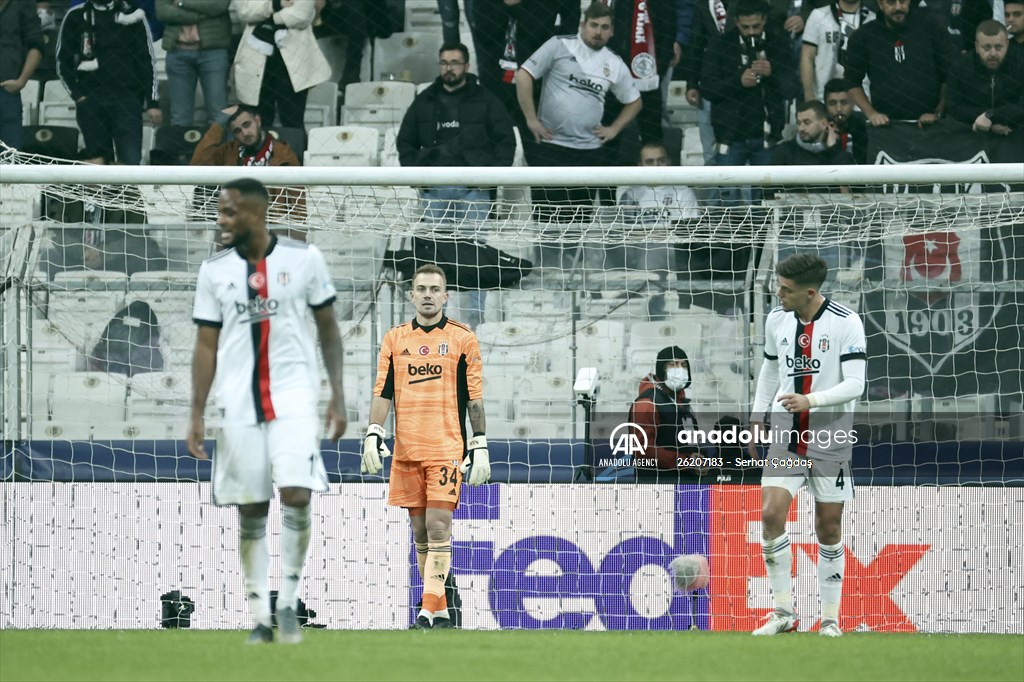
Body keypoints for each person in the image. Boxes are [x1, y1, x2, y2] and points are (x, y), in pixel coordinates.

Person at [187, 177, 347, 644]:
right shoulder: (213, 271)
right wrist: (196, 411)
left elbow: (329, 327)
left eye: (229, 211)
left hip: (295, 395)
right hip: (238, 401)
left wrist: (337, 393)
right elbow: (205, 343)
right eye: (220, 211)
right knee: (252, 505)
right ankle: (259, 614)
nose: (221, 219)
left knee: (296, 493)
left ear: (255, 214)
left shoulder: (304, 259)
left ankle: (289, 602)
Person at [361, 264, 490, 630]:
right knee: (419, 534)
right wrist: (374, 431)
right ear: (412, 295)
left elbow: (475, 398)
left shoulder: (463, 338)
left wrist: (478, 444)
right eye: (422, 288)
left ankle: (425, 610)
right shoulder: (394, 339)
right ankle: (443, 609)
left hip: (446, 447)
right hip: (406, 450)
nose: (429, 294)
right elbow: (382, 391)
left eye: (435, 289)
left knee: (438, 527)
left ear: (446, 296)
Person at [747, 253, 867, 638]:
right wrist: (757, 413)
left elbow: (855, 384)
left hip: (830, 432)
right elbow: (770, 366)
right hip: (786, 431)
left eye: (786, 289)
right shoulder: (776, 319)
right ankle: (783, 612)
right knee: (770, 514)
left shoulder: (846, 322)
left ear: (810, 292)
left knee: (828, 525)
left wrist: (811, 401)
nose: (778, 294)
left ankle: (830, 618)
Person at [396, 42, 516, 329]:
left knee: (475, 256)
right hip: (435, 191)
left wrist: (490, 178)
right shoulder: (424, 101)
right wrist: (420, 178)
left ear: (467, 65)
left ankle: (475, 323)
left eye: (455, 62)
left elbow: (505, 141)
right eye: (444, 62)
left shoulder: (486, 100)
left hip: (474, 190)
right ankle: (436, 322)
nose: (449, 68)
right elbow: (405, 143)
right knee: (435, 256)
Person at [515, 1, 642, 225]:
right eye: (594, 25)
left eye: (604, 27)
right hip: (551, 147)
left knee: (579, 224)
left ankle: (575, 258)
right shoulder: (558, 45)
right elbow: (524, 75)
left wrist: (613, 129)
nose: (598, 32)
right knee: (547, 222)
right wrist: (531, 119)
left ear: (612, 31)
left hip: (589, 152)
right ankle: (547, 261)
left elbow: (635, 102)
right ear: (583, 25)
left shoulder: (614, 63)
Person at [701, 0, 796, 204]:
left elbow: (791, 87)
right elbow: (708, 88)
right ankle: (730, 236)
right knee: (728, 202)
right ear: (735, 22)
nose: (751, 32)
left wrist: (772, 73)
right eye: (745, 27)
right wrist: (738, 81)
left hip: (766, 137)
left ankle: (762, 237)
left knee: (764, 202)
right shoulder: (720, 44)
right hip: (730, 137)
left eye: (756, 26)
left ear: (764, 20)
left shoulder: (778, 43)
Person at [55, 0, 162, 165]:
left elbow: (146, 62)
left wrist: (152, 102)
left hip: (127, 98)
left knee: (130, 161)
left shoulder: (134, 14)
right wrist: (78, 96)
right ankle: (101, 192)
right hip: (90, 99)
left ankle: (127, 192)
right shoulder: (75, 15)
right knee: (97, 163)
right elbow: (62, 63)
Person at [843, 0, 956, 127]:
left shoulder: (932, 28)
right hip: (885, 126)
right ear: (880, 4)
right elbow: (851, 81)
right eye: (891, 2)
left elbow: (950, 75)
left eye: (902, 1)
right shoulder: (863, 36)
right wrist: (872, 114)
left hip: (930, 124)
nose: (898, 7)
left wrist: (938, 113)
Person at [616, 140, 699, 310]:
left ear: (669, 162)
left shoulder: (683, 192)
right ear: (640, 165)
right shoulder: (631, 194)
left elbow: (687, 234)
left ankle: (652, 305)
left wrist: (651, 236)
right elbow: (626, 235)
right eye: (649, 162)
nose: (656, 166)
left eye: (661, 161)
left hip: (675, 254)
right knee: (650, 250)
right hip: (639, 253)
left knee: (654, 250)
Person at [190, 104, 305, 226]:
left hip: (271, 226)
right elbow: (198, 165)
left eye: (246, 124)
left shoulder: (282, 153)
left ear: (257, 121)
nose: (245, 133)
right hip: (235, 225)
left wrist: (297, 235)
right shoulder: (229, 152)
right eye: (237, 131)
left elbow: (298, 201)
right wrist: (218, 124)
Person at [232, 0, 331, 129]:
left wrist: (269, 17)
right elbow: (246, 12)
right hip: (255, 58)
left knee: (293, 122)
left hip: (294, 60)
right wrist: (275, 4)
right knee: (259, 124)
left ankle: (295, 149)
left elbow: (302, 15)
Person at [629, 345, 702, 478]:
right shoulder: (646, 404)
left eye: (683, 365)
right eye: (673, 364)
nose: (679, 369)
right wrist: (684, 462)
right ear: (662, 369)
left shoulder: (682, 404)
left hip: (688, 485)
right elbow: (643, 451)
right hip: (657, 487)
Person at [155, 0, 231, 127]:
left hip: (213, 52)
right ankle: (182, 148)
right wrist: (201, 15)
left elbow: (219, 5)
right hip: (177, 52)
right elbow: (162, 11)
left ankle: (218, 147)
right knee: (180, 118)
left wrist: (181, 3)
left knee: (218, 115)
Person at [946, 20, 1023, 135]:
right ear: (977, 46)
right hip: (971, 130)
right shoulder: (959, 66)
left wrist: (990, 116)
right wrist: (987, 122)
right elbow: (954, 107)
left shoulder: (1021, 63)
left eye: (998, 47)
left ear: (1007, 44)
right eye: (986, 47)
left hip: (1014, 130)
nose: (993, 53)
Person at [799, 0, 875, 103]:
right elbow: (807, 57)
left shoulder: (873, 20)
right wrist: (809, 97)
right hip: (823, 100)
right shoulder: (818, 15)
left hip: (863, 102)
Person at [0, 0, 44, 150]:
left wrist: (22, 81)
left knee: (10, 156)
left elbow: (36, 45)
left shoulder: (23, 4)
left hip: (6, 91)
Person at [771, 99, 856, 167]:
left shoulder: (839, 151)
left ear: (823, 124)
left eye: (807, 122)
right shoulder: (785, 151)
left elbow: (852, 186)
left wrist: (832, 149)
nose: (801, 128)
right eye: (799, 123)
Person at [823, 77, 868, 163]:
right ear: (825, 105)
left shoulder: (865, 126)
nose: (839, 109)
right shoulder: (820, 126)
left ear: (853, 104)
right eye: (832, 103)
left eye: (844, 102)